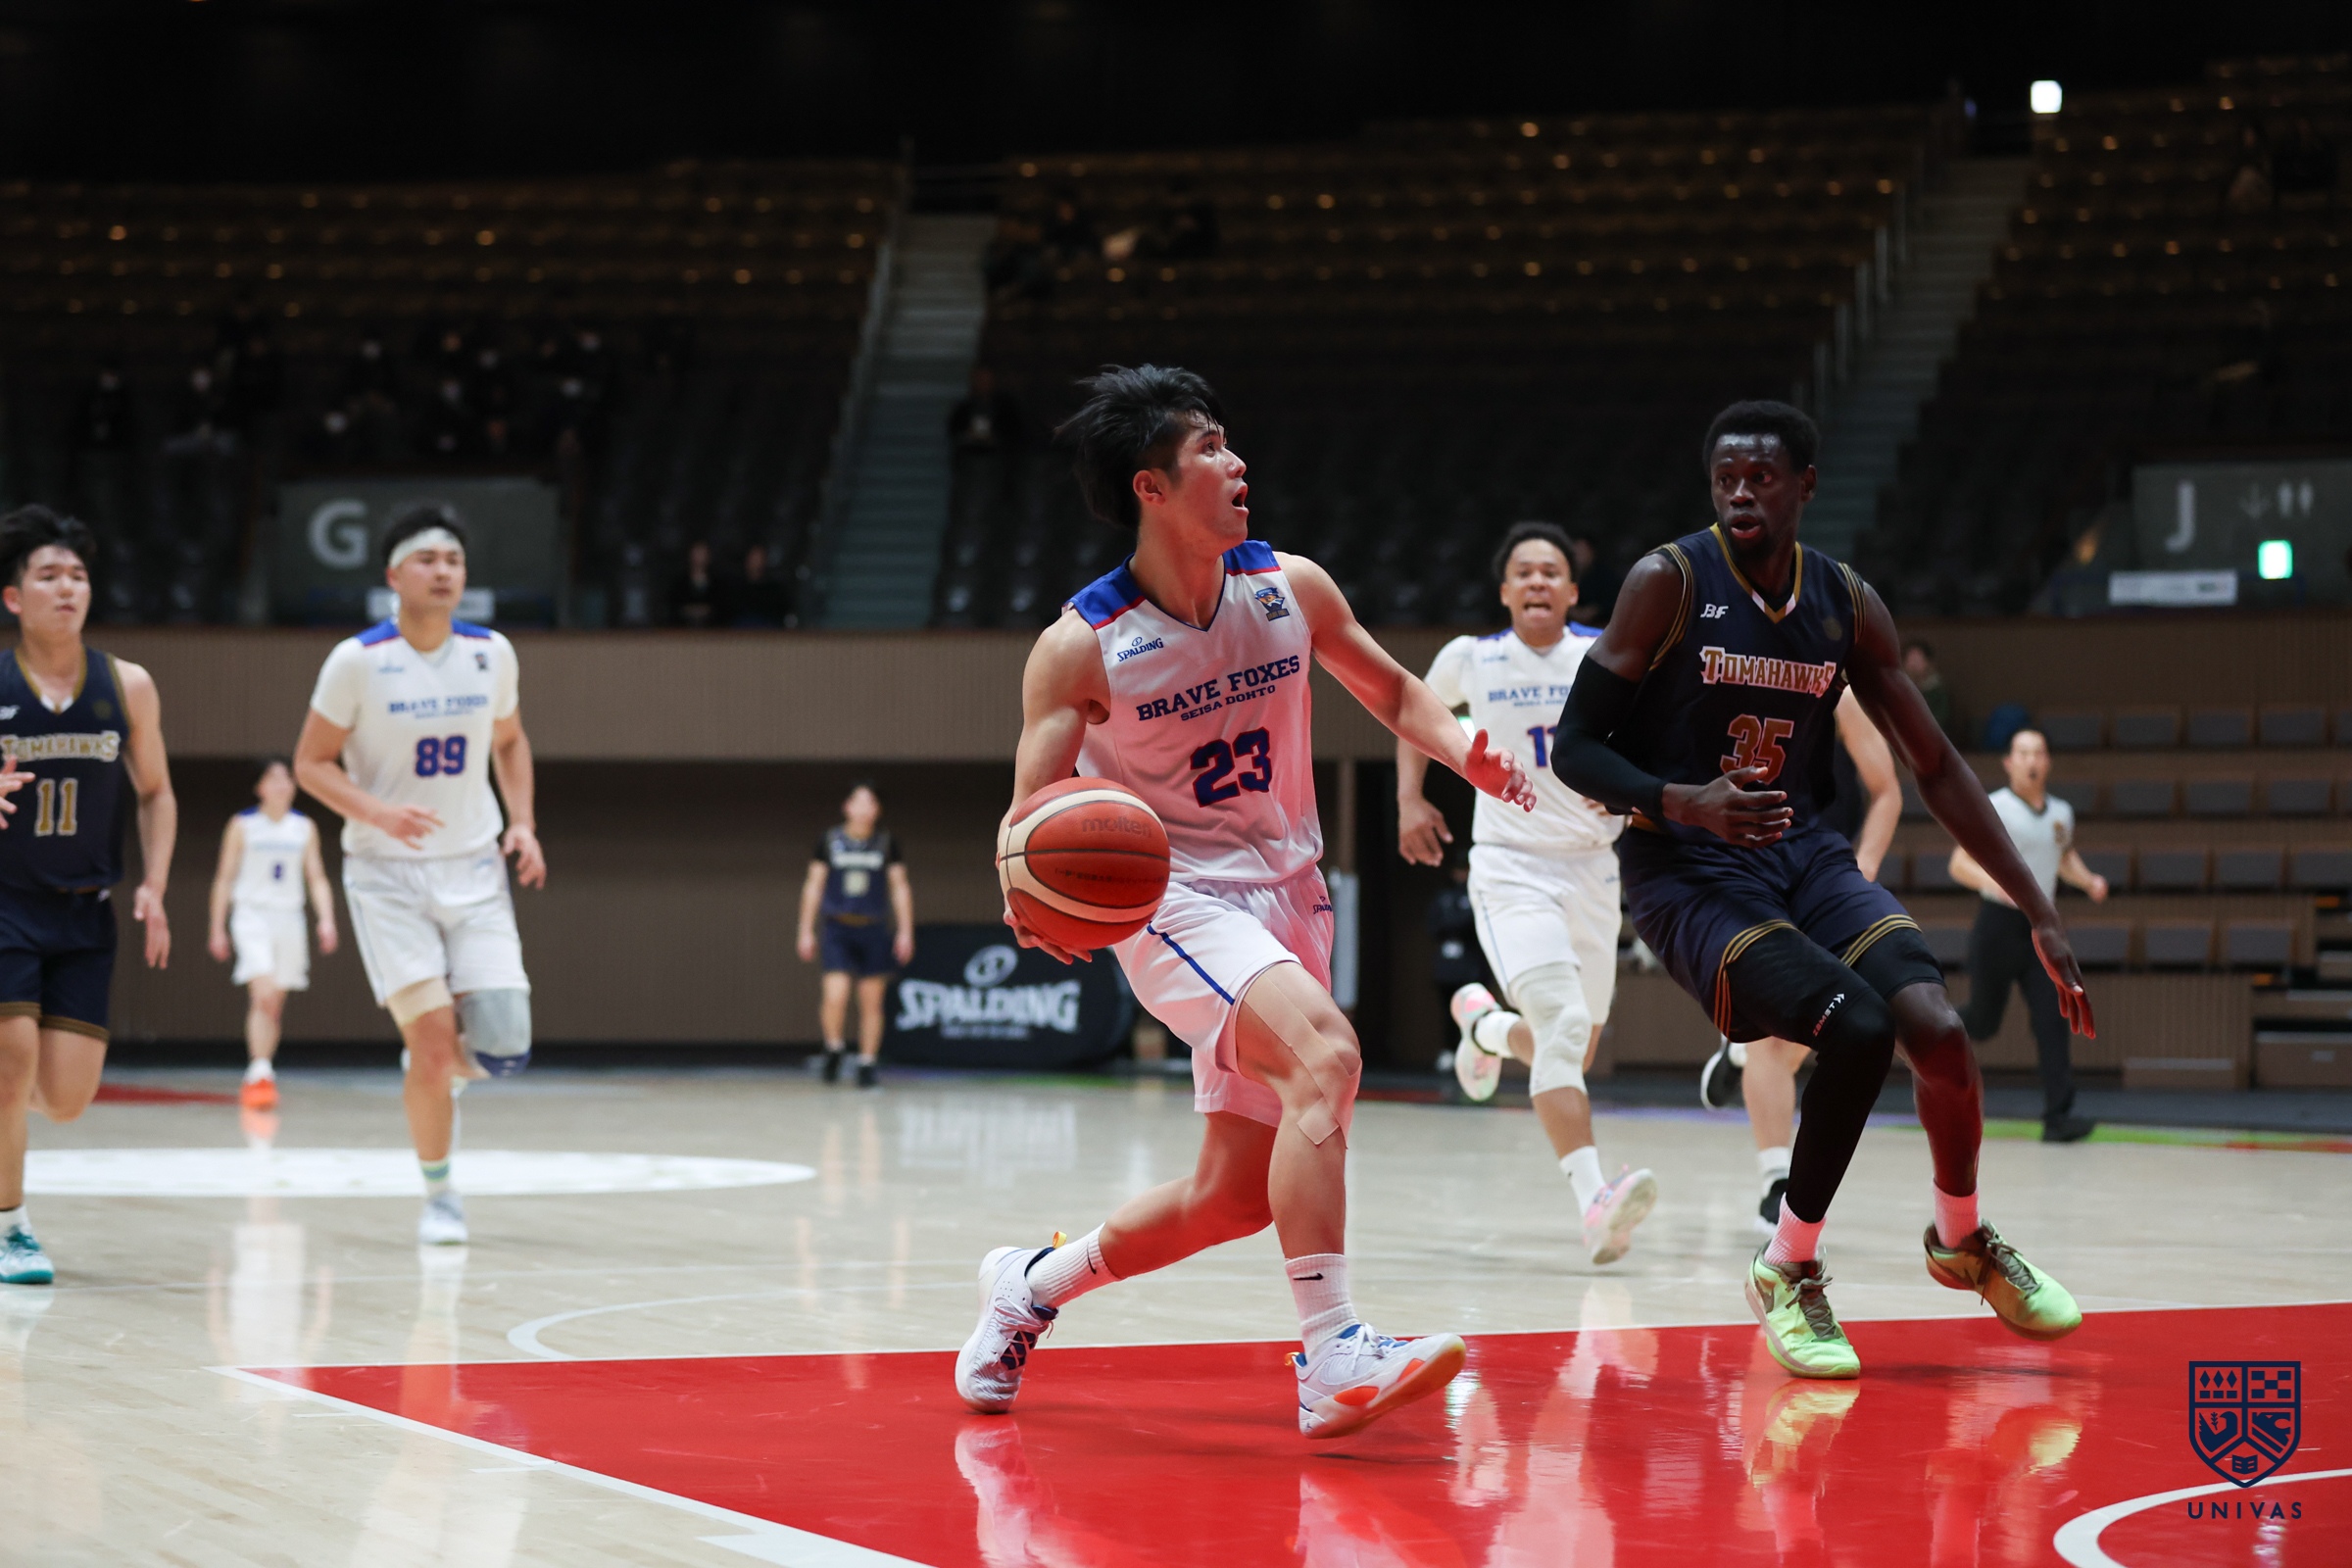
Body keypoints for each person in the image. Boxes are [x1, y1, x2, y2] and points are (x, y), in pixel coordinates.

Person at [957, 365, 1534, 1439]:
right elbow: (1031, 815)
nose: (1237, 463)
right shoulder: (1083, 645)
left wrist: (1467, 754)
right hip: (1175, 900)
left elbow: (1392, 688)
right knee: (1327, 1056)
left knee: (1230, 1195)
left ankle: (1029, 1285)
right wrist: (1026, 892)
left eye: (1229, 441)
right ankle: (1333, 1353)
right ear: (1151, 487)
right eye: (1209, 448)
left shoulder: (1290, 587)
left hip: (1291, 898)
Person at [1549, 399, 2093, 1379]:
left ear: (1804, 486)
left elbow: (1935, 766)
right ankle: (1787, 1265)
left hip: (1802, 852)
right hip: (1686, 868)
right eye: (1725, 479)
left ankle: (1960, 1238)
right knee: (1858, 1027)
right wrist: (1684, 801)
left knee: (1937, 1028)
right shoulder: (1668, 582)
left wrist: (2038, 906)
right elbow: (1576, 748)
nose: (1740, 494)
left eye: (1761, 478)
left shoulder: (1844, 602)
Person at [1397, 519, 1658, 1267]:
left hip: (1593, 868)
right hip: (1512, 866)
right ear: (1506, 591)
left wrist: (1633, 789)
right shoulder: (1471, 658)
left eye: (1551, 572)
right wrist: (1410, 799)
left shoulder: (1604, 654)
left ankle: (1484, 1029)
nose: (1538, 581)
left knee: (1573, 1047)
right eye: (1524, 572)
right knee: (1565, 1027)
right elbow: (1413, 713)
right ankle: (1595, 1203)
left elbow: (1653, 736)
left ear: (1573, 591)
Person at [294, 503, 545, 1249]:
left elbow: (510, 741)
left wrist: (523, 822)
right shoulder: (357, 661)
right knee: (437, 1050)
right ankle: (440, 1194)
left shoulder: (492, 653)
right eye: (427, 560)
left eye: (454, 561)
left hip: (474, 866)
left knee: (503, 1050)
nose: (443, 572)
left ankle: (428, 1061)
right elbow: (310, 764)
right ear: (394, 575)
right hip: (388, 875)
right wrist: (377, 812)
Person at [0, 506, 173, 1286]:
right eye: (49, 575)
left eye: (77, 575)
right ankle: (11, 1229)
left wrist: (156, 885)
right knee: (11, 1063)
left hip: (84, 911)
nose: (68, 587)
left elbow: (157, 793)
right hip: (6, 900)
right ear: (14, 597)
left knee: (65, 1099)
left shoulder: (127, 684)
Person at [1699, 686, 1904, 1235]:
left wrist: (1864, 867)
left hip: (1820, 879)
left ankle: (1737, 1050)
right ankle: (1775, 1181)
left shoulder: (1838, 693)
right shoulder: (1730, 677)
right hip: (1747, 876)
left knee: (1798, 1040)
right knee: (1772, 1042)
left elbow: (1887, 790)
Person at [1949, 728, 2108, 1144]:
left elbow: (2063, 858)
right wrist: (1993, 884)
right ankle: (1927, 1032)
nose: (2031, 760)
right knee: (1983, 1021)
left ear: (2048, 761)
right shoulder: (1994, 806)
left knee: (2053, 1019)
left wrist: (2088, 880)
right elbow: (1958, 863)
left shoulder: (2061, 813)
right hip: (1998, 926)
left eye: (2038, 752)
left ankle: (2058, 1118)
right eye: (2023, 753)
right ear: (2009, 763)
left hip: (2041, 929)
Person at [206, 759, 338, 1112]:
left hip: (289, 917)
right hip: (252, 915)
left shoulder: (303, 827)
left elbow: (317, 877)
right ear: (260, 787)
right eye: (274, 779)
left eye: (287, 779)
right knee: (262, 992)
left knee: (274, 1002)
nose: (282, 785)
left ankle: (261, 1071)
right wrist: (217, 927)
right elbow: (224, 878)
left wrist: (326, 919)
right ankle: (260, 1069)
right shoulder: (243, 825)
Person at [797, 783, 912, 1089]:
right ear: (846, 807)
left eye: (869, 803)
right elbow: (813, 885)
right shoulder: (830, 841)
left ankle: (866, 1062)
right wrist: (805, 930)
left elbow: (900, 887)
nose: (863, 809)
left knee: (871, 1001)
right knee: (835, 995)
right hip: (837, 927)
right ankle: (834, 1047)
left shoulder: (885, 843)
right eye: (857, 802)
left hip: (873, 927)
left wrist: (905, 931)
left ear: (877, 810)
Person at [1901, 640, 1955, 741]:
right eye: (1910, 660)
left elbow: (1938, 723)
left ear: (1929, 663)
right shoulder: (1898, 691)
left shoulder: (1938, 693)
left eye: (1918, 660)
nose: (1913, 666)